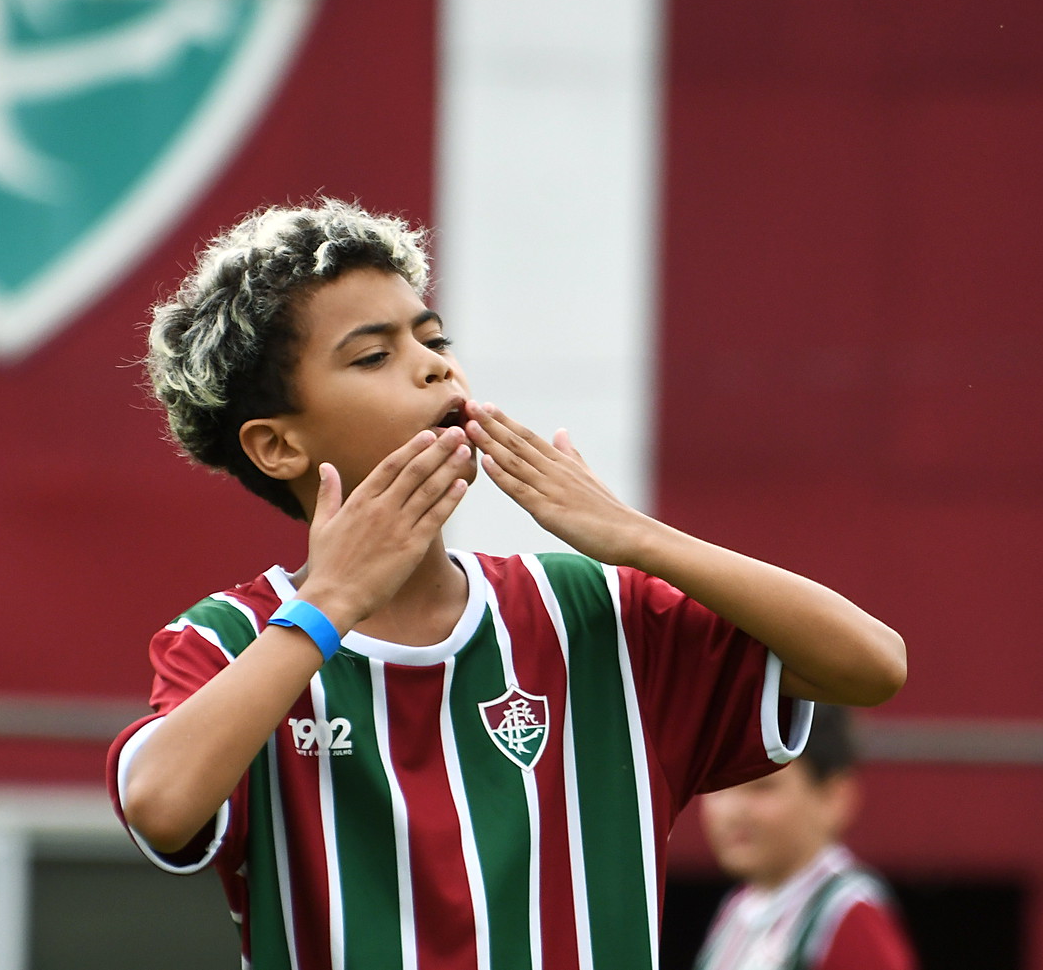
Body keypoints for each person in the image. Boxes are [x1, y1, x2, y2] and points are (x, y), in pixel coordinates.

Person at [106, 199, 907, 970]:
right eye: (374, 355)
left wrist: (634, 536)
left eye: (434, 338)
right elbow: (161, 805)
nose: (434, 366)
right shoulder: (232, 639)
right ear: (277, 446)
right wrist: (331, 602)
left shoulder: (587, 609)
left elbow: (872, 664)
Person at [696, 706, 917, 970]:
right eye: (718, 787)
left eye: (762, 787)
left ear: (833, 797)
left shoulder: (845, 915)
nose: (732, 810)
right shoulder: (737, 911)